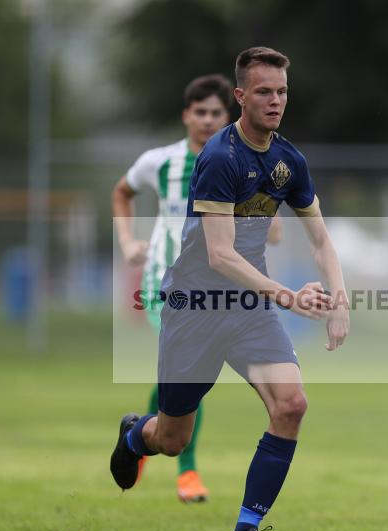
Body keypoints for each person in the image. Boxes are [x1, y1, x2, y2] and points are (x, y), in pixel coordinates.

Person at [110, 46, 350, 531]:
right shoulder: (220, 158)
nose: (275, 101)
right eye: (263, 91)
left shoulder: (289, 160)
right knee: (172, 440)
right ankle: (136, 434)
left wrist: (340, 299)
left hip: (248, 309)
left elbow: (320, 239)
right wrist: (289, 296)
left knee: (291, 406)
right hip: (195, 308)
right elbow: (219, 256)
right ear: (240, 96)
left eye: (282, 91)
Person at [111, 74, 234, 503]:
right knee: (190, 371)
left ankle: (140, 434)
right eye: (199, 112)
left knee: (184, 375)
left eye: (215, 112)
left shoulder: (236, 162)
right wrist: (128, 244)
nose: (206, 119)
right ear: (186, 115)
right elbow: (122, 194)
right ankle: (187, 472)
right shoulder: (161, 161)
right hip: (163, 278)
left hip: (214, 285)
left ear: (227, 116)